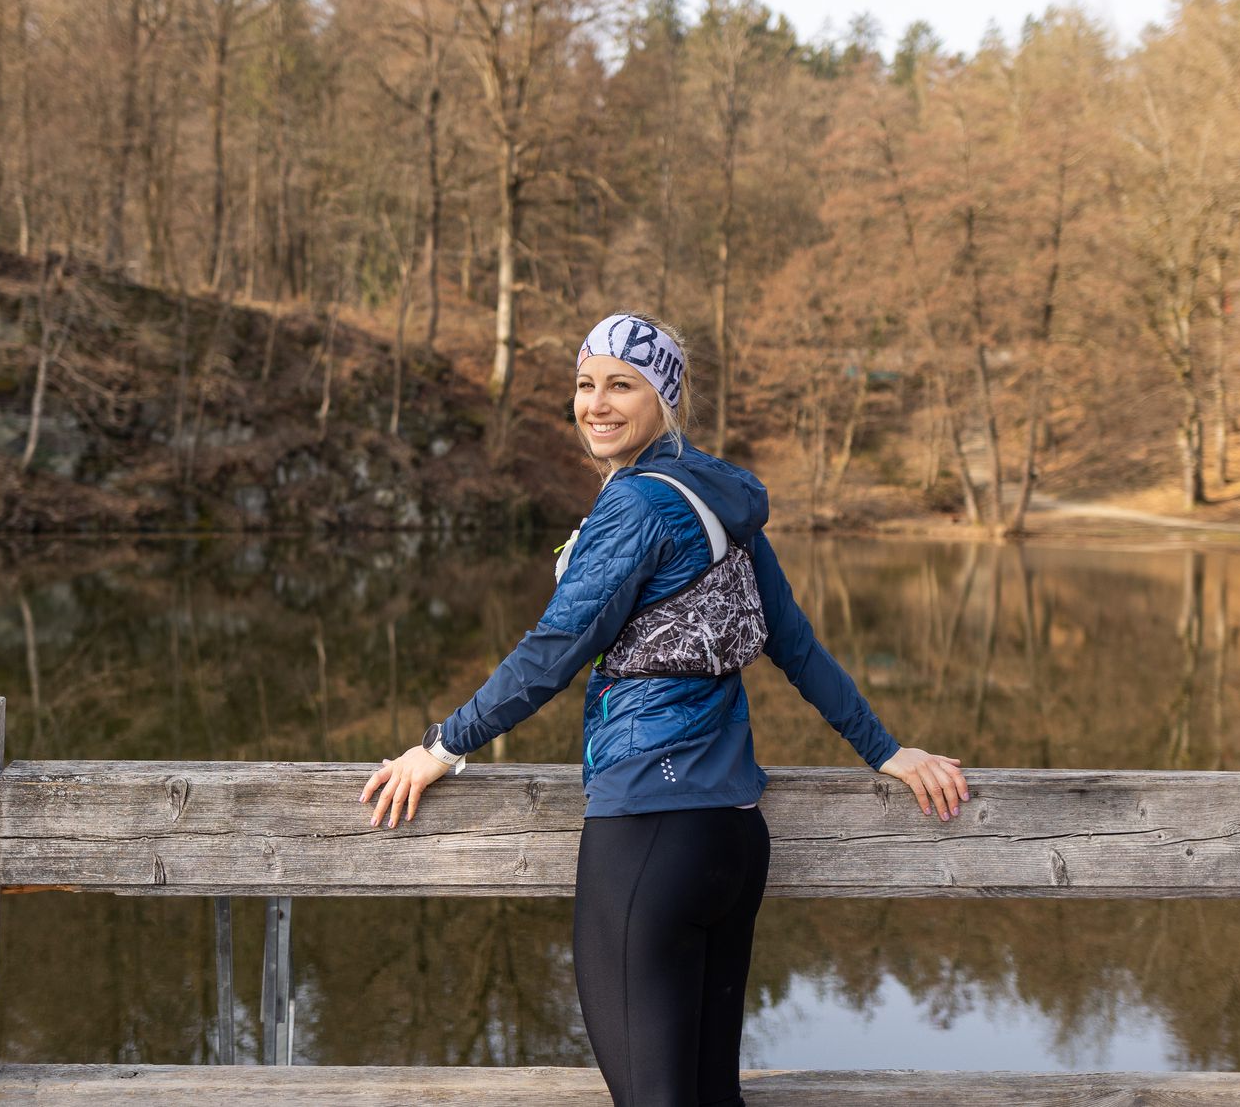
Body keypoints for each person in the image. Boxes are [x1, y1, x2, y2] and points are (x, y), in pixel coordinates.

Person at [360, 311, 967, 1107]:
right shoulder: (721, 499)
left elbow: (555, 648)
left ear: (665, 398)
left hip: (649, 831)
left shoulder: (639, 506)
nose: (597, 403)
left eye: (623, 384)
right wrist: (886, 750)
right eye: (585, 384)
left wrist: (440, 747)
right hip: (732, 841)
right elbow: (797, 646)